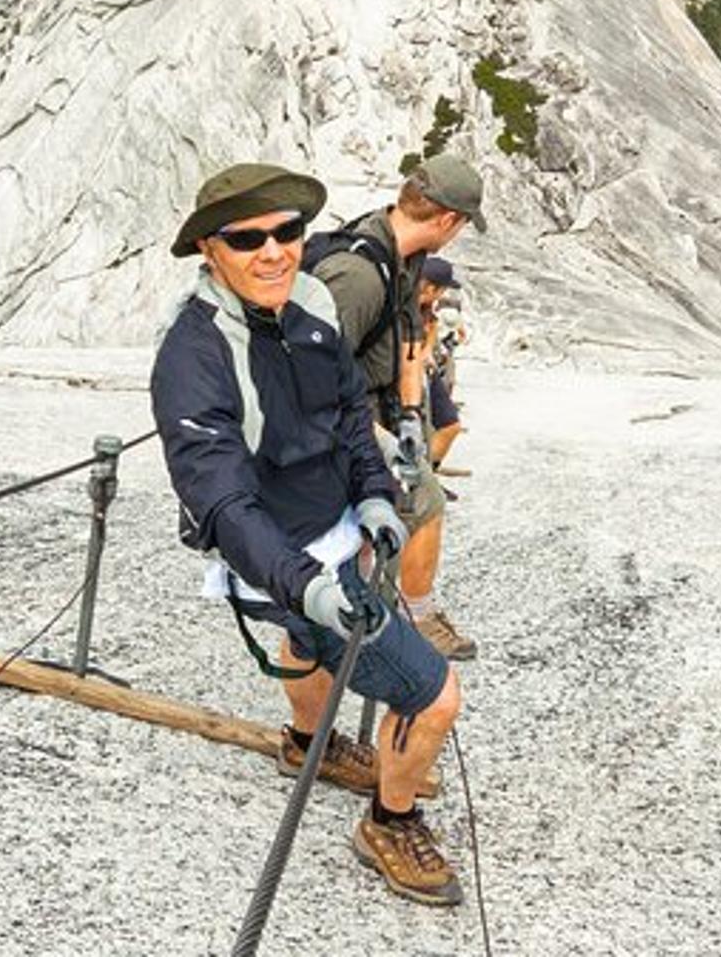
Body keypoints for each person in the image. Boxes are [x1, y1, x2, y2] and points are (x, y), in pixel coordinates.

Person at [151, 162, 466, 907]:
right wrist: (309, 586)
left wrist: (378, 496)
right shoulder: (192, 358)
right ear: (209, 249)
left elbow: (350, 415)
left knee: (307, 639)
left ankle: (305, 744)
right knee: (436, 695)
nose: (273, 251)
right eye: (246, 237)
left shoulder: (313, 302)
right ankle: (390, 822)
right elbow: (224, 504)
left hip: (333, 529)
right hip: (274, 561)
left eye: (287, 231)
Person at [308, 155, 485, 660]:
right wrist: (379, 440)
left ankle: (367, 606)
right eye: (464, 225)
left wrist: (409, 416)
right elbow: (314, 379)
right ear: (449, 220)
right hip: (342, 417)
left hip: (377, 408)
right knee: (424, 500)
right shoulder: (359, 275)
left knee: (405, 500)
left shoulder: (401, 256)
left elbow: (409, 344)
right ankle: (415, 616)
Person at [417, 256, 465, 470]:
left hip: (427, 371)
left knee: (448, 425)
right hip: (409, 376)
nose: (443, 294)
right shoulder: (402, 307)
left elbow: (432, 330)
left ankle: (429, 475)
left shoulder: (429, 312)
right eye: (442, 289)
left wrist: (427, 352)